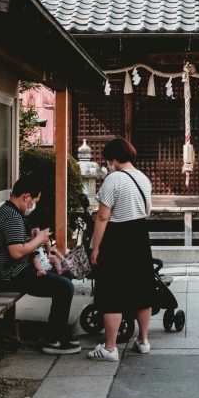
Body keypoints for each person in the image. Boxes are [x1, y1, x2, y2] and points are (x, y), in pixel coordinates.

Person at [0, 176, 81, 355]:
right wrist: (40, 239)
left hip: (12, 270)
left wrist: (33, 238)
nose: (34, 206)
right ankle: (53, 340)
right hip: (7, 275)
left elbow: (17, 246)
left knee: (65, 278)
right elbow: (17, 252)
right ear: (26, 196)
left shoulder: (9, 212)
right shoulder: (11, 216)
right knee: (64, 287)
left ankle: (56, 333)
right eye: (34, 201)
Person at [87, 137, 155, 362]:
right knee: (143, 289)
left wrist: (96, 247)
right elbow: (147, 212)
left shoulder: (113, 179)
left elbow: (103, 216)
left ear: (114, 158)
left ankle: (109, 348)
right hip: (139, 236)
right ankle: (143, 341)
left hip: (117, 237)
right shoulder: (143, 179)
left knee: (112, 292)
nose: (108, 164)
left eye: (109, 160)